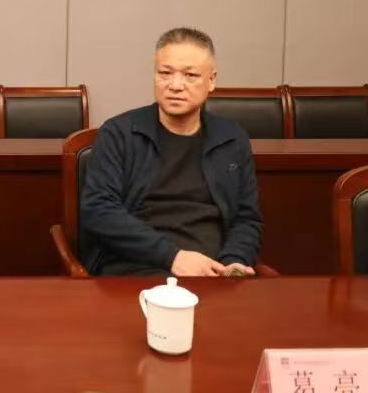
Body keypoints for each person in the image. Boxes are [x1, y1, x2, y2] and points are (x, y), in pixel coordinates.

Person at [80, 27, 263, 277]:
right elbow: (99, 210)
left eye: (190, 75)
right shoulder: (119, 133)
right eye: (165, 73)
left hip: (213, 272)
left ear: (211, 80)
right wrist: (173, 257)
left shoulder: (232, 139)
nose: (175, 85)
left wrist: (235, 260)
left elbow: (246, 218)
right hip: (136, 267)